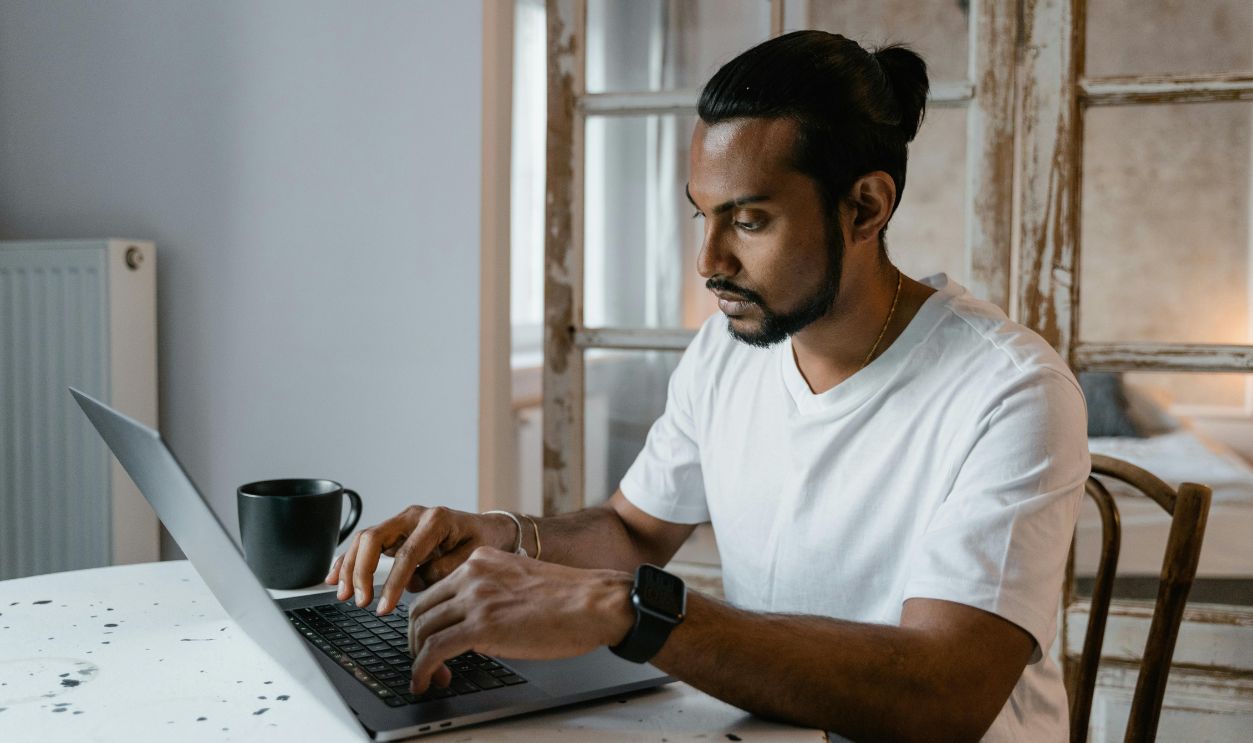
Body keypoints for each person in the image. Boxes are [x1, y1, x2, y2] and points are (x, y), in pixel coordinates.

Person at [327, 30, 1088, 742]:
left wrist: (626, 611)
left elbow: (943, 691)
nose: (708, 260)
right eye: (702, 215)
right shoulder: (730, 348)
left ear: (864, 207)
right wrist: (500, 532)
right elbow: (632, 531)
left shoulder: (1009, 390)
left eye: (748, 220)